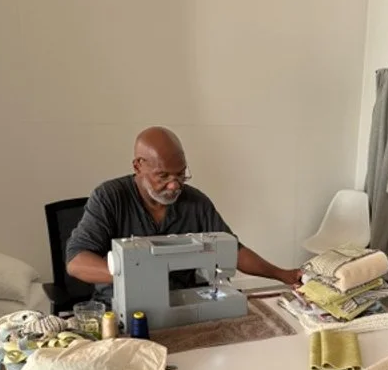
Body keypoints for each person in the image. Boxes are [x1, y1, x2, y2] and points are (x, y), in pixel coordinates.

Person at [66, 127, 302, 305]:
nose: (173, 186)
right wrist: (137, 275)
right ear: (138, 166)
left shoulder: (195, 202)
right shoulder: (110, 197)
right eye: (163, 176)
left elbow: (233, 250)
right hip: (122, 305)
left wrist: (282, 274)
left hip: (183, 303)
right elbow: (77, 262)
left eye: (180, 175)